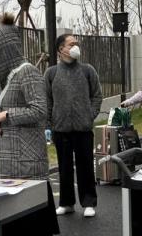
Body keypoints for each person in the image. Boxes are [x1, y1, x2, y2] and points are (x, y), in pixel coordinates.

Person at [0, 16, 59, 236]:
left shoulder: (28, 72)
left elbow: (40, 111)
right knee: (19, 218)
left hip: (28, 161)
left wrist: (5, 115)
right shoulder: (3, 79)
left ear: (4, 49)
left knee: (36, 218)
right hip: (9, 161)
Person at [44, 34, 103, 218]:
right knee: (64, 167)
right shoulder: (51, 73)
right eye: (72, 44)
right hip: (60, 128)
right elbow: (47, 101)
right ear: (61, 49)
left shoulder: (87, 70)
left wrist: (90, 115)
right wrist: (48, 125)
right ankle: (66, 203)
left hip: (83, 128)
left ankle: (88, 202)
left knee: (85, 166)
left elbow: (97, 96)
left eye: (76, 44)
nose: (76, 46)